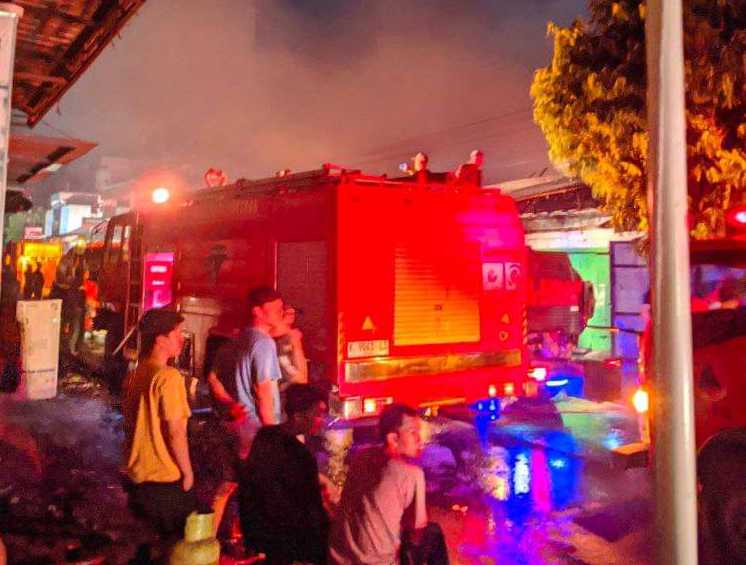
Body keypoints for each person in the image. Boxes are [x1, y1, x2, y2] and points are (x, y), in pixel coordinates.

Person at [329, 404, 449, 565]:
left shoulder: (361, 457)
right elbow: (417, 530)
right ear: (393, 439)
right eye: (413, 432)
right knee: (433, 532)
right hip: (377, 563)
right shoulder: (412, 474)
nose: (419, 439)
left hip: (338, 558)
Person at [121, 308, 196, 557]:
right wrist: (187, 473)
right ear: (160, 340)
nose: (182, 340)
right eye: (177, 334)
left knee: (144, 551)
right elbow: (176, 433)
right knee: (173, 551)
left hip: (137, 478)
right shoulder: (168, 378)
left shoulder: (135, 374)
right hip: (164, 479)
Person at [239, 383, 330, 564]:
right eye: (317, 414)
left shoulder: (265, 436)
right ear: (297, 416)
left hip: (258, 530)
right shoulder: (301, 456)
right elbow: (311, 510)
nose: (322, 420)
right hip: (287, 539)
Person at [274, 305, 308, 389]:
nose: (292, 316)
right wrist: (296, 377)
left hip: (296, 378)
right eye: (288, 313)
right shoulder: (281, 333)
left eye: (293, 313)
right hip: (289, 379)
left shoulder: (292, 333)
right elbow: (282, 359)